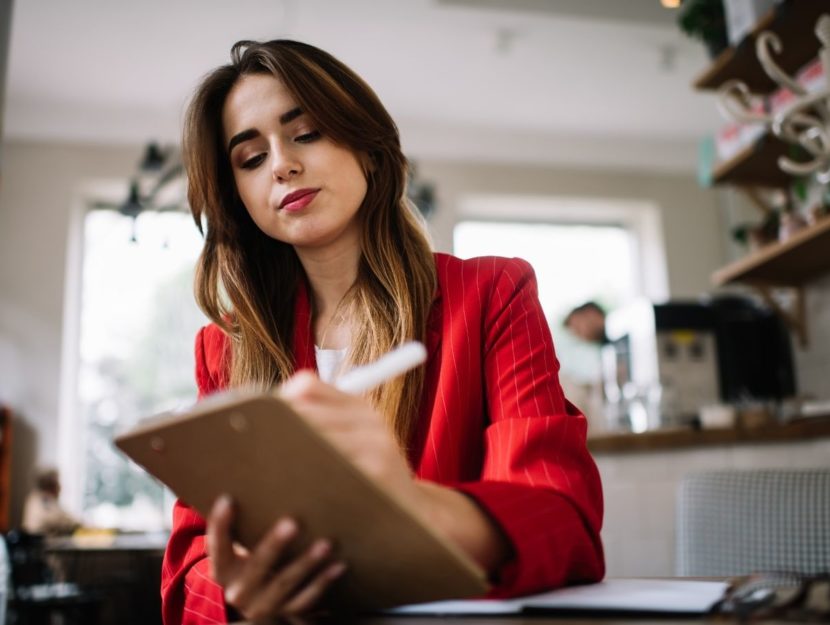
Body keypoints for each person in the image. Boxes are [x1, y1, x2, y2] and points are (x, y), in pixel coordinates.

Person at [162, 39, 604, 624]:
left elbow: (563, 520)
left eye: (307, 132)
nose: (281, 164)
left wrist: (412, 506)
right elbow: (190, 569)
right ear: (239, 198)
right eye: (249, 159)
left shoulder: (492, 293)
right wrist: (240, 599)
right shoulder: (223, 348)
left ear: (368, 148)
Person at [21, 466, 81, 536]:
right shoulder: (44, 500)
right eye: (58, 482)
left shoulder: (35, 497)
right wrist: (79, 524)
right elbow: (59, 519)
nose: (60, 487)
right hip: (39, 543)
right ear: (51, 485)